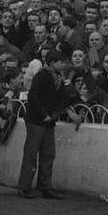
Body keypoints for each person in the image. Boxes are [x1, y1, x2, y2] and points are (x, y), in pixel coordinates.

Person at [18, 49, 68, 199]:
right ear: (53, 63)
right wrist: (46, 115)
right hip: (37, 120)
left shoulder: (57, 77)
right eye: (61, 62)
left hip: (46, 120)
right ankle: (25, 187)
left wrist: (51, 116)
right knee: (32, 153)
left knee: (48, 154)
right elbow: (33, 97)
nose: (63, 65)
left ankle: (44, 186)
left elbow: (63, 99)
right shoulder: (42, 76)